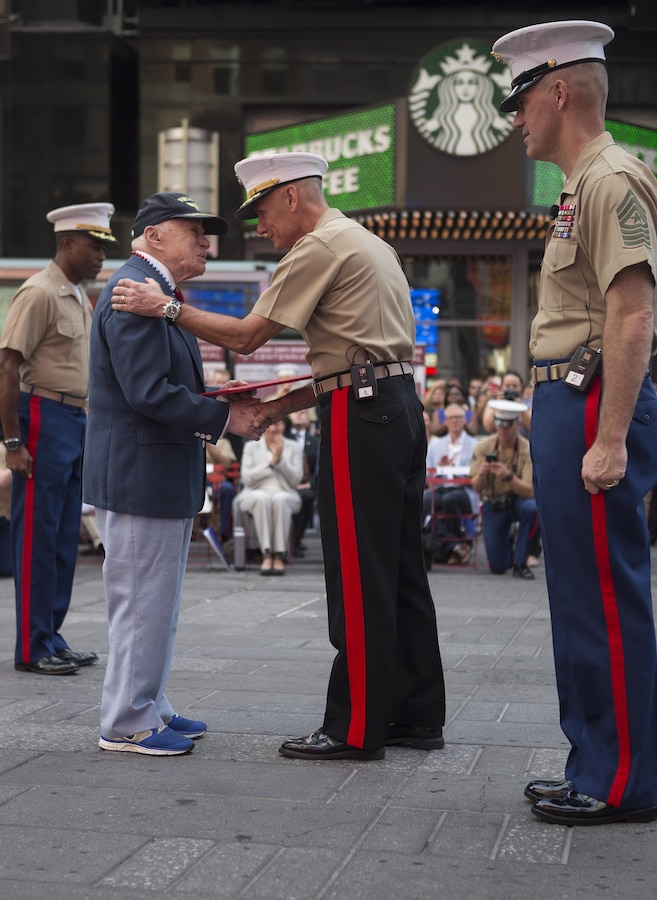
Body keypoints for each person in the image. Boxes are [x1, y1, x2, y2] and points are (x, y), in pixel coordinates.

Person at [111, 151, 446, 761]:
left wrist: (163, 307)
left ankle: (354, 727)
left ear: (292, 196)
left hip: (360, 418)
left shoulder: (318, 247)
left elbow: (246, 335)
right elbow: (352, 363)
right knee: (399, 569)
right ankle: (418, 714)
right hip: (393, 405)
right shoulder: (366, 242)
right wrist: (272, 411)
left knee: (357, 573)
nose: (261, 227)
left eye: (263, 211)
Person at [491, 20, 657, 826]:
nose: (516, 118)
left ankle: (624, 777)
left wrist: (612, 435)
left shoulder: (608, 179)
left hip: (595, 398)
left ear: (558, 91)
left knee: (603, 592)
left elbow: (630, 314)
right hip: (569, 396)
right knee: (575, 595)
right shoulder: (581, 182)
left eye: (521, 101)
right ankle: (592, 757)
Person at [83, 191, 264, 756]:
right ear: (155, 234)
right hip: (141, 472)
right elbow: (147, 392)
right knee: (142, 601)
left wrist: (218, 401)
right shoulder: (132, 291)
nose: (207, 243)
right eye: (195, 232)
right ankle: (127, 721)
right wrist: (224, 414)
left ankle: (149, 702)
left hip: (153, 469)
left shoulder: (153, 292)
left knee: (155, 600)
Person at [0, 203, 118, 675]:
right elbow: (7, 366)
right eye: (94, 245)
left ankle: (52, 634)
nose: (100, 256)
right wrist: (12, 442)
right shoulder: (40, 291)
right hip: (42, 414)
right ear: (67, 243)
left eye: (104, 247)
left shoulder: (75, 293)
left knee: (65, 535)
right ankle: (32, 646)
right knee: (37, 535)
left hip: (74, 419)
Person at [469, 400, 538, 580]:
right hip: (494, 502)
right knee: (498, 567)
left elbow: (530, 491)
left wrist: (508, 476)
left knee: (533, 508)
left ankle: (521, 561)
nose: (502, 430)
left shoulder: (526, 448)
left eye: (507, 425)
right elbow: (476, 487)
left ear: (517, 424)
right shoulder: (483, 447)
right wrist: (483, 474)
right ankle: (507, 545)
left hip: (518, 500)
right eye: (498, 424)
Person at [234, 419, 303, 575]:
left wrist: (280, 461)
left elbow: (296, 480)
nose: (274, 428)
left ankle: (278, 554)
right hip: (254, 492)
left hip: (285, 492)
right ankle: (266, 553)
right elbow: (247, 479)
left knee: (281, 499)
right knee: (262, 498)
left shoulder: (294, 447)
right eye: (271, 424)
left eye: (278, 424)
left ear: (284, 426)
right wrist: (270, 464)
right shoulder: (251, 447)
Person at [423, 403, 478, 566]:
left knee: (450, 500)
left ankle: (454, 545)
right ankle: (457, 546)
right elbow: (427, 473)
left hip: (463, 489)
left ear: (464, 421)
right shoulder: (436, 445)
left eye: (458, 417)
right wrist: (440, 470)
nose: (454, 421)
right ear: (445, 421)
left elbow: (475, 472)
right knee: (425, 502)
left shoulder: (475, 444)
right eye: (450, 418)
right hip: (440, 487)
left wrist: (453, 470)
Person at [284, 407, 320, 556]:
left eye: (303, 412)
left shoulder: (315, 442)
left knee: (307, 495)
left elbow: (317, 469)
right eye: (296, 411)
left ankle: (296, 540)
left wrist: (310, 483)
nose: (299, 413)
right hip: (285, 481)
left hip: (307, 483)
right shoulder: (283, 436)